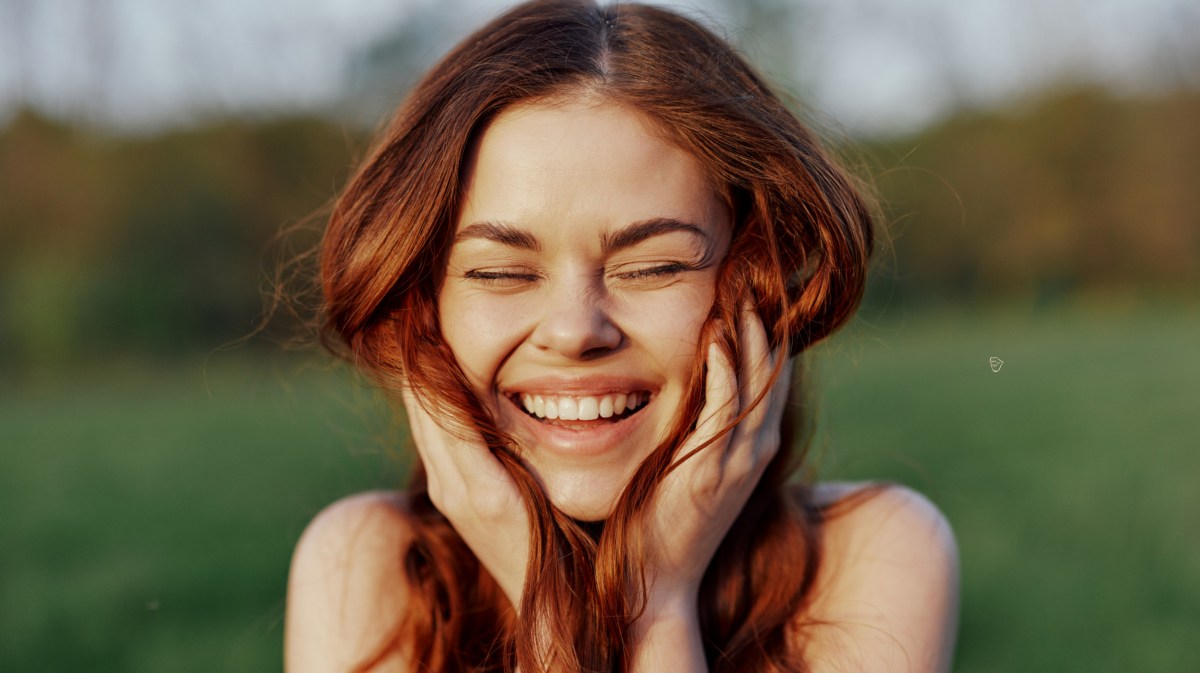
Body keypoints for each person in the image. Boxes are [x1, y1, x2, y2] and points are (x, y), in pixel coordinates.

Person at [284, 1, 959, 671]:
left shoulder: (872, 555)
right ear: (426, 306)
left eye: (653, 266)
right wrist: (543, 601)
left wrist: (657, 601)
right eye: (501, 272)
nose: (576, 329)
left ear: (756, 283)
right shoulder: (363, 568)